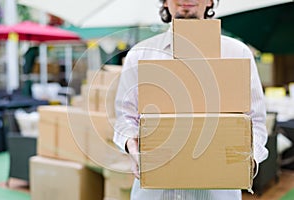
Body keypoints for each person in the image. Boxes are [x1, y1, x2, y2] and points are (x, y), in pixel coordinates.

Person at [113, 0, 268, 199]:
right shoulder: (140, 54)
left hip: (217, 191)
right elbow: (124, 119)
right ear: (165, 1)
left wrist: (248, 160)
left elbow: (255, 121)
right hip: (154, 191)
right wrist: (133, 148)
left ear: (211, 1)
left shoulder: (237, 53)